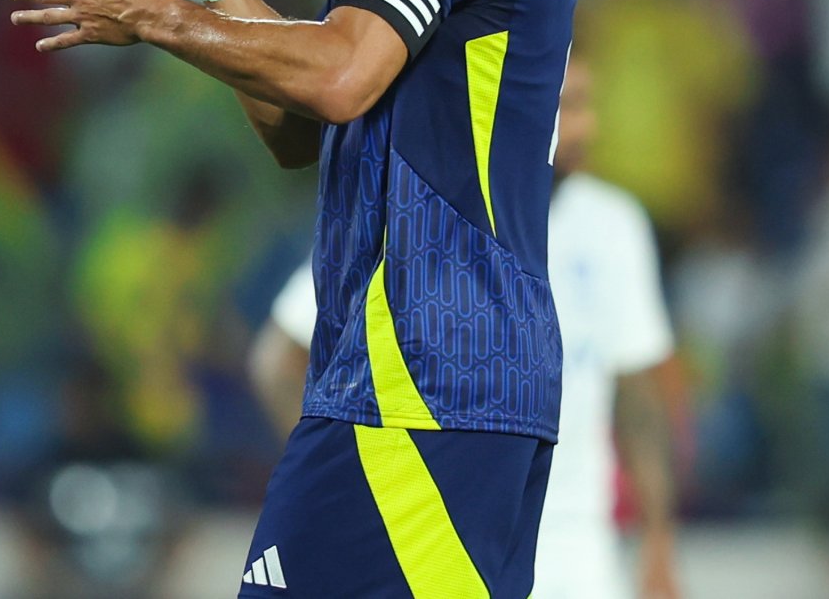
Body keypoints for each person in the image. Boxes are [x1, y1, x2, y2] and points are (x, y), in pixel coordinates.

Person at [11, 0, 578, 598]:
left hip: (427, 384)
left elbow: (337, 77)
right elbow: (299, 131)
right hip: (409, 387)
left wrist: (154, 16)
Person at [252, 60, 685, 599]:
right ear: (517, 109)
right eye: (567, 107)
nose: (586, 128)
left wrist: (660, 542)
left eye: (587, 105)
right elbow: (278, 359)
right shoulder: (423, 208)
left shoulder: (614, 225)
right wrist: (353, 482)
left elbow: (639, 395)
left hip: (576, 550)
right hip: (441, 540)